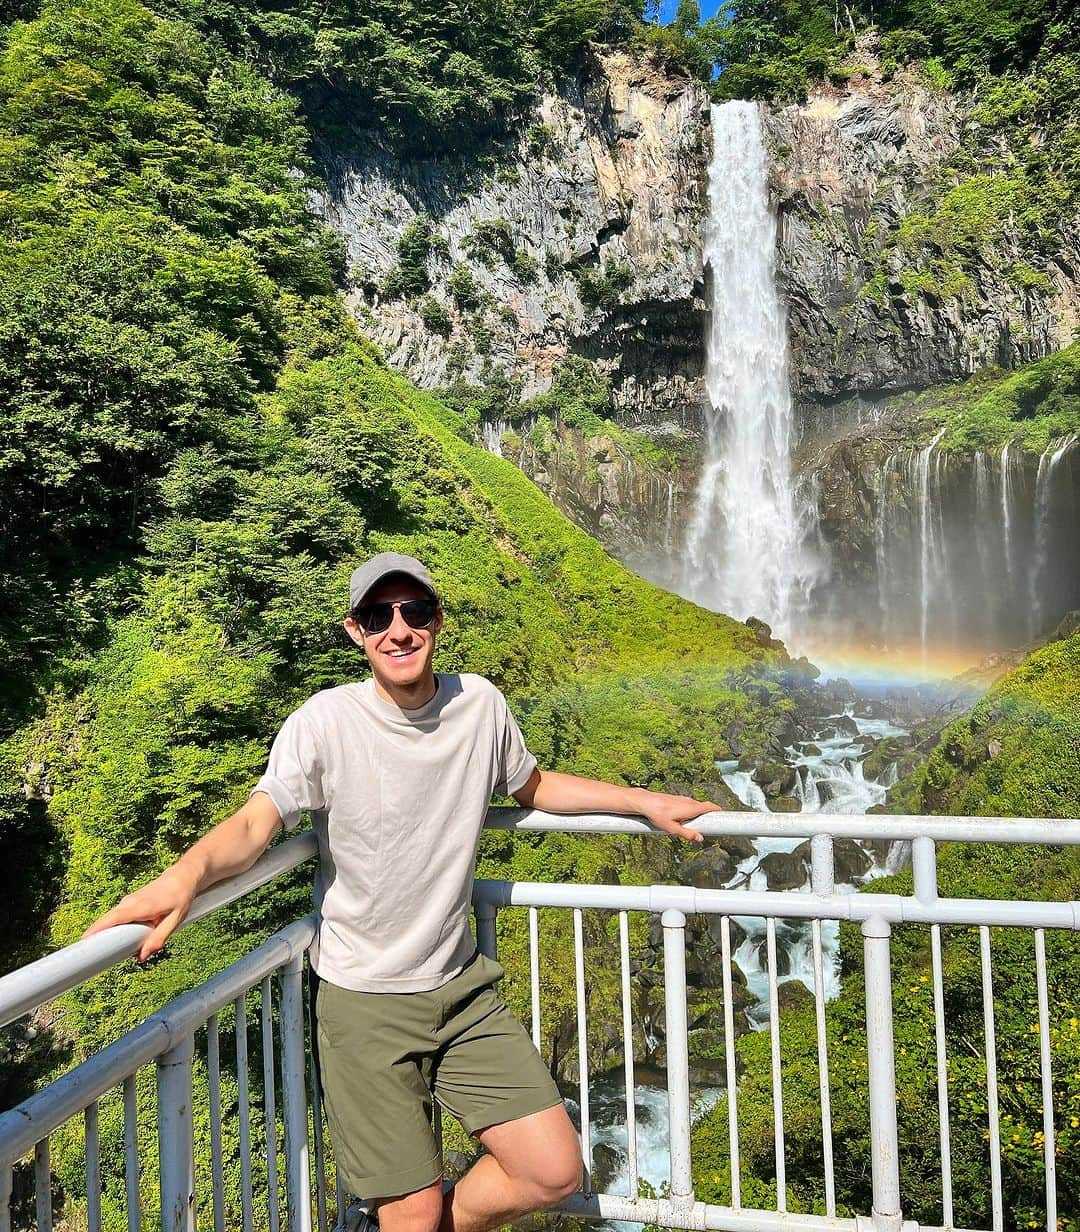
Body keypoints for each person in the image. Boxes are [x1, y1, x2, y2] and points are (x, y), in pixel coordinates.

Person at [84, 553, 719, 1232]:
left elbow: (532, 785)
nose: (398, 630)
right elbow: (254, 823)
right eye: (377, 616)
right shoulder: (325, 722)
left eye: (414, 611)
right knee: (408, 1219)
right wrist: (184, 877)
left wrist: (642, 801)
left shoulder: (480, 705)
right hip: (364, 1002)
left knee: (553, 1171)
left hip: (460, 989)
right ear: (356, 632)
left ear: (437, 621)